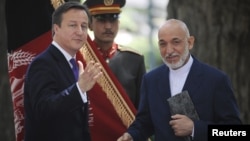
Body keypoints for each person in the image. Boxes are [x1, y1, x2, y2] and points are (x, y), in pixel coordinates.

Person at [117, 19, 242, 141]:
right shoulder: (151, 80)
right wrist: (131, 135)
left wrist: (195, 128)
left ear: (190, 42)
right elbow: (144, 122)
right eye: (163, 44)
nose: (169, 50)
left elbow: (235, 132)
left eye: (175, 42)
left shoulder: (216, 80)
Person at [23, 2, 103, 141]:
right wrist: (79, 88)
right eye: (72, 25)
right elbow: (43, 110)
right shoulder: (42, 63)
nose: (79, 31)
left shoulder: (73, 64)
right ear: (56, 29)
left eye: (84, 26)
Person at [83, 0, 146, 109]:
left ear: (119, 23)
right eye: (101, 19)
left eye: (113, 19)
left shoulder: (134, 60)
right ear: (90, 25)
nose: (108, 26)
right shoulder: (81, 59)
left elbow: (142, 106)